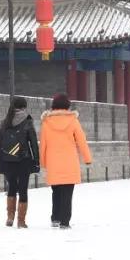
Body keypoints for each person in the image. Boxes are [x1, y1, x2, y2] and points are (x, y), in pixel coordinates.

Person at [39, 93, 92, 229]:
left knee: (56, 192)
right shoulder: (73, 121)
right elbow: (81, 141)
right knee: (67, 194)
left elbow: (43, 144)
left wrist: (43, 162)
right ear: (67, 105)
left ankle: (55, 218)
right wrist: (87, 158)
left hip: (53, 162)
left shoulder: (46, 122)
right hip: (69, 162)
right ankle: (65, 222)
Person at [0, 96, 39, 228]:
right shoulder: (27, 121)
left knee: (12, 187)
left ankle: (10, 218)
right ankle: (21, 221)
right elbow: (34, 144)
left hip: (7, 160)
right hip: (23, 160)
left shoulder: (4, 122)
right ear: (24, 107)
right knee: (23, 189)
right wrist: (36, 162)